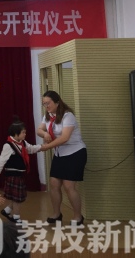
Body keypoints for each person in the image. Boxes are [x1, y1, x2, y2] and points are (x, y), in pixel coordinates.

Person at [37, 90, 87, 226]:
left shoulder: (67, 115)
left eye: (48, 103)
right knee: (54, 183)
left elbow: (65, 138)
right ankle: (56, 214)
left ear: (57, 102)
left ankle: (78, 216)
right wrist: (44, 134)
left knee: (68, 185)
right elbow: (39, 130)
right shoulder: (48, 116)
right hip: (60, 153)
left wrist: (47, 147)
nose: (46, 106)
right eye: (44, 104)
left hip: (75, 153)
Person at [0, 116, 42, 223]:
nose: (25, 134)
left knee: (15, 197)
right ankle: (16, 217)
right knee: (17, 199)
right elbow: (2, 159)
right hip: (13, 176)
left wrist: (42, 147)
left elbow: (31, 148)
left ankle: (7, 211)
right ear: (16, 134)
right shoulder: (8, 145)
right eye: (23, 132)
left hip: (20, 176)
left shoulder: (23, 143)